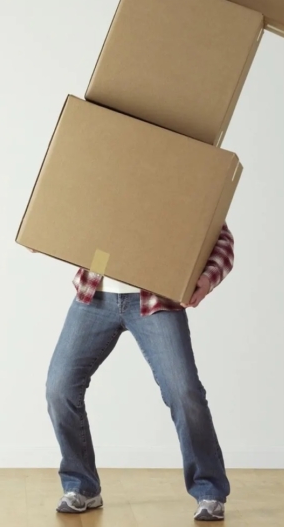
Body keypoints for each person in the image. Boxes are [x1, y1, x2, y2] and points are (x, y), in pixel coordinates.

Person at [40, 223, 234, 522]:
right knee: (59, 388)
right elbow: (67, 210)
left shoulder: (184, 179)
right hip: (96, 294)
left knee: (184, 392)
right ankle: (82, 485)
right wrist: (45, 233)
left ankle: (209, 490)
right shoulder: (100, 175)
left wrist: (208, 278)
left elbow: (220, 237)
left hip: (156, 296)